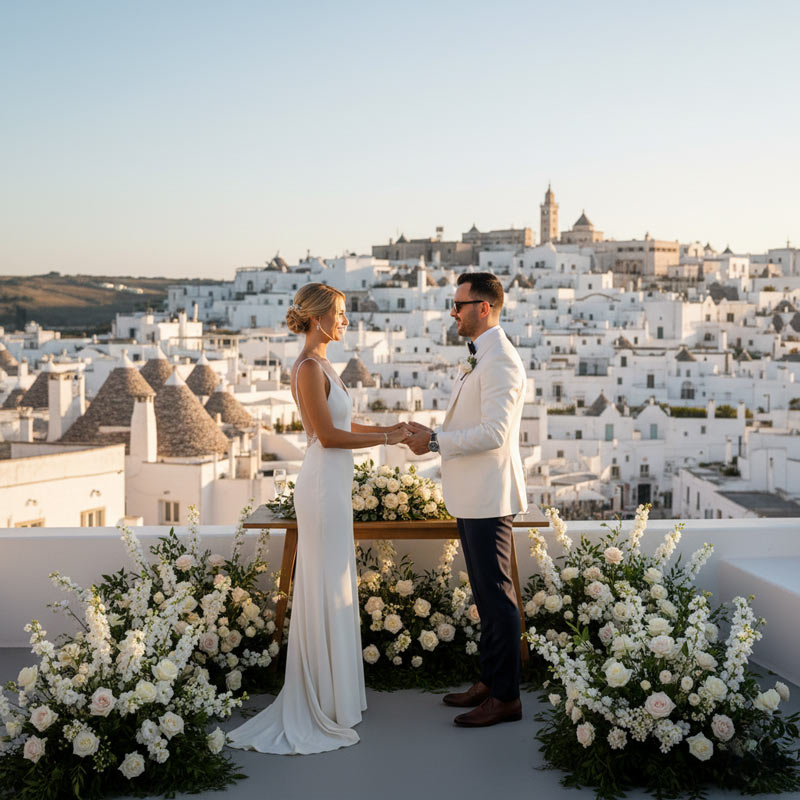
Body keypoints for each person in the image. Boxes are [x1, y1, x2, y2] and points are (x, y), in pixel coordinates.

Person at [227, 283, 412, 754]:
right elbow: (327, 437)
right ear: (316, 318)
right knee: (327, 585)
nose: (346, 321)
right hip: (322, 486)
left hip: (334, 487)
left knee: (335, 582)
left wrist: (392, 430)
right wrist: (390, 438)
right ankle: (324, 700)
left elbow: (345, 427)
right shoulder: (309, 367)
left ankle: (337, 698)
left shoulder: (325, 365)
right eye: (341, 314)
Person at [406, 272, 527, 727]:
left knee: (497, 598)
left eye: (458, 304)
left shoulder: (500, 362)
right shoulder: (481, 357)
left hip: (489, 496)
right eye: (452, 304)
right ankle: (491, 682)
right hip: (472, 494)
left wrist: (435, 441)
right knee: (485, 596)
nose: (452, 312)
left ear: (485, 307)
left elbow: (494, 434)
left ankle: (507, 698)